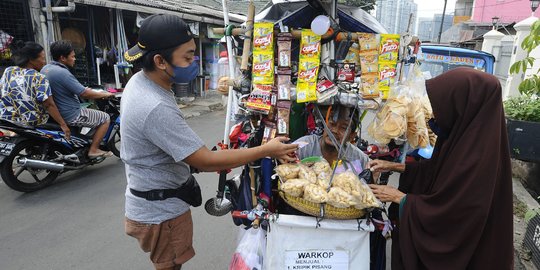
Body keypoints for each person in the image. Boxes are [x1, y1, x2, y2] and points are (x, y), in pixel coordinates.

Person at [121, 14, 297, 270]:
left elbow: (168, 147)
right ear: (160, 61)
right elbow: (204, 160)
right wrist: (266, 150)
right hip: (161, 212)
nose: (194, 62)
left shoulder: (140, 81)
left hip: (153, 199)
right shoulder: (154, 105)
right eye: (187, 57)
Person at [367, 68, 513, 269]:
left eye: (443, 105)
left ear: (463, 104)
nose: (436, 113)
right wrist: (395, 166)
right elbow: (439, 171)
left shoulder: (478, 155)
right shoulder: (464, 137)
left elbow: (457, 212)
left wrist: (400, 198)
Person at [41, 40, 114, 158]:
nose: (74, 59)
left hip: (56, 112)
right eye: (73, 56)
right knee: (105, 118)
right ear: (63, 58)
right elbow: (84, 93)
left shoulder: (46, 68)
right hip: (71, 113)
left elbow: (71, 88)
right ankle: (94, 150)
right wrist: (104, 94)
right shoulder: (62, 73)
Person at [0, 41, 70, 139]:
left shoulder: (8, 71)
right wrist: (63, 125)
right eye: (43, 58)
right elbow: (48, 104)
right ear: (31, 60)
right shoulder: (39, 77)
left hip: (6, 119)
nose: (44, 62)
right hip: (30, 121)